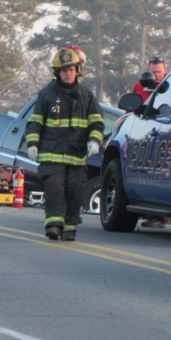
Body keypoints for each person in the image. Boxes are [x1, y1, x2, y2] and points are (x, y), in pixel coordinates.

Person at [25, 48, 105, 241]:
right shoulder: (46, 94)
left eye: (71, 69)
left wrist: (94, 141)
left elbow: (97, 123)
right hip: (51, 155)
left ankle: (69, 228)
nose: (68, 73)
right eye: (64, 70)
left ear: (78, 70)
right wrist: (32, 144)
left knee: (74, 192)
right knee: (55, 188)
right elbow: (35, 122)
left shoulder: (87, 96)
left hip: (76, 156)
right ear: (57, 72)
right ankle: (53, 224)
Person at [131, 56, 169, 229]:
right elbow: (131, 111)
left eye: (159, 72)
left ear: (165, 71)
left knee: (160, 175)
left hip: (163, 137)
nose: (156, 76)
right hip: (142, 137)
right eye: (152, 72)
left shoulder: (170, 85)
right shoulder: (140, 86)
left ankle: (159, 216)